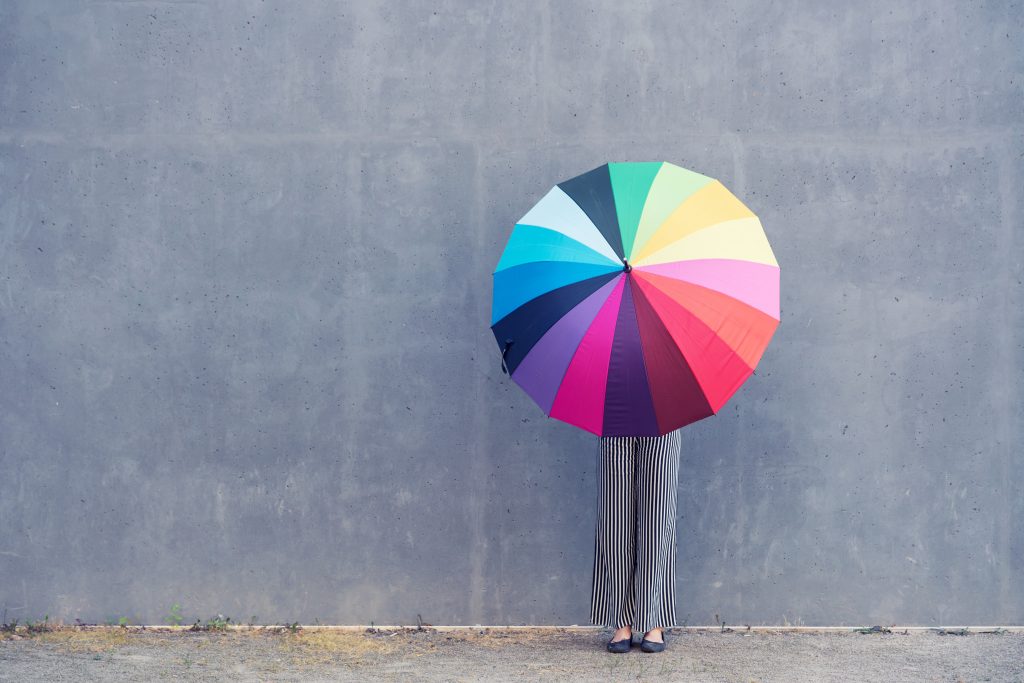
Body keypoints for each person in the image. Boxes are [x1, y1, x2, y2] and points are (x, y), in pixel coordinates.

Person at [590, 428, 683, 653]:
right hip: (617, 415)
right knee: (615, 523)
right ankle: (621, 621)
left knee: (657, 521)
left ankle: (655, 620)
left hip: (663, 413)